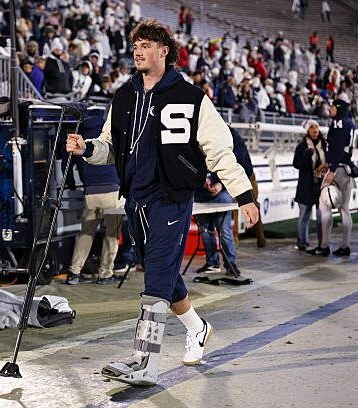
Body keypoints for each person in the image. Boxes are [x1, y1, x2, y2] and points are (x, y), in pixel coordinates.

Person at [66, 19, 258, 386]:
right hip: (135, 199)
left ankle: (143, 362)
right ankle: (197, 328)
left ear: (164, 51)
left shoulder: (191, 97)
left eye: (146, 44)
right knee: (165, 275)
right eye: (135, 44)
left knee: (155, 275)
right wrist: (87, 148)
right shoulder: (123, 96)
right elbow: (110, 147)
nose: (137, 50)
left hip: (171, 197)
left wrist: (244, 196)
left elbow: (220, 152)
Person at [66, 112, 122, 285]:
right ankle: (105, 274)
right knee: (112, 233)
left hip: (91, 191)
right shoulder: (111, 133)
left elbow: (67, 165)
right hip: (112, 189)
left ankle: (74, 273)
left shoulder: (79, 136)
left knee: (86, 232)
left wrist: (73, 185)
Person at [312, 93, 356, 256]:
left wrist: (331, 169)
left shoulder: (338, 123)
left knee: (324, 206)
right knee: (344, 209)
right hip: (347, 168)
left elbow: (336, 148)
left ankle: (323, 245)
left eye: (332, 107)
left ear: (338, 109)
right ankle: (345, 246)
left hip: (337, 170)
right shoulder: (350, 124)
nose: (329, 109)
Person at [293, 120, 328, 252]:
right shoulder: (302, 146)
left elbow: (330, 160)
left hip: (321, 185)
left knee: (321, 216)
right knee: (304, 216)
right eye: (312, 127)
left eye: (316, 127)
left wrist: (324, 167)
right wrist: (307, 155)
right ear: (307, 130)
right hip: (306, 185)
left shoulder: (324, 145)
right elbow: (297, 164)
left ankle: (322, 244)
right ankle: (302, 243)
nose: (315, 130)